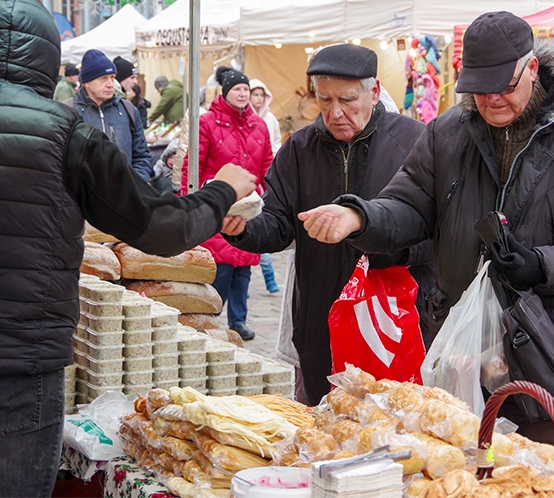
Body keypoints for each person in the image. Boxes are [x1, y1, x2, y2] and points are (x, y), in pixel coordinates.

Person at [0, 0, 256, 498]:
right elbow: (158, 230)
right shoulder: (64, 132)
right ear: (44, 55)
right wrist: (223, 190)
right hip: (18, 367)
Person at [298, 12, 554, 469]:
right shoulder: (446, 134)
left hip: (553, 360)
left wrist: (541, 264)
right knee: (461, 478)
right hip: (463, 362)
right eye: (480, 88)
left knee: (541, 481)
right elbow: (409, 204)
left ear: (532, 70)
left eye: (504, 85)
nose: (492, 99)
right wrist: (359, 216)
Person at [222, 44, 438, 405]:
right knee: (325, 431)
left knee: (395, 430)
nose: (335, 112)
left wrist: (374, 238)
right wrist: (242, 227)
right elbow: (278, 224)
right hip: (320, 320)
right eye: (324, 100)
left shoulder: (415, 142)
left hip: (395, 322)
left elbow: (436, 231)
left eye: (347, 99)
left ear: (374, 91)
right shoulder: (299, 149)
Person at [182, 66, 273, 341]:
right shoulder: (208, 122)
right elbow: (193, 164)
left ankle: (239, 320)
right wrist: (189, 201)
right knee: (220, 268)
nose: (243, 94)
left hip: (248, 205)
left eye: (246, 89)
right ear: (226, 93)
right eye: (238, 89)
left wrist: (271, 193)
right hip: (217, 204)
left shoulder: (259, 125)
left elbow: (267, 164)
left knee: (243, 269)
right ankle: (211, 318)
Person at [65, 50, 153, 180]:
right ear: (87, 82)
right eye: (103, 79)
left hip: (124, 195)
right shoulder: (68, 111)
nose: (110, 84)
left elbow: (141, 156)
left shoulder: (128, 109)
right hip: (84, 197)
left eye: (112, 77)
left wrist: (134, 186)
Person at [249, 78, 282, 294]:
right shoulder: (245, 119)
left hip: (265, 177)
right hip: (248, 178)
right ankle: (244, 283)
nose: (258, 99)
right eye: (255, 95)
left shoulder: (270, 118)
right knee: (246, 231)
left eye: (262, 95)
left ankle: (269, 277)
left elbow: (276, 141)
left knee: (261, 228)